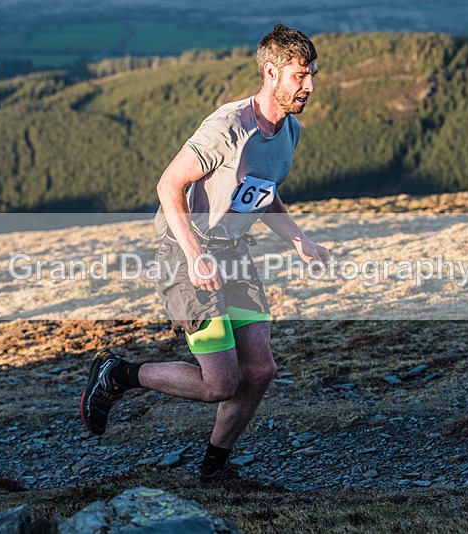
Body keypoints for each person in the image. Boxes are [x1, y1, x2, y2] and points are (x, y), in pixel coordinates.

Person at [80, 24, 331, 481]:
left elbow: (264, 194)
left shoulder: (289, 131)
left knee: (260, 368)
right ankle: (118, 374)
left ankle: (214, 469)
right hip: (185, 249)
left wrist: (299, 240)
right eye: (300, 75)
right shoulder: (228, 128)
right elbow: (168, 185)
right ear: (271, 73)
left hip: (232, 251)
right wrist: (195, 254)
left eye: (312, 73)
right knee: (220, 383)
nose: (309, 85)